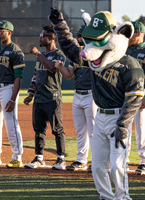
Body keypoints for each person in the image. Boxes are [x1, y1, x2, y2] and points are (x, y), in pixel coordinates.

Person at [49, 8, 144, 200]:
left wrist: (122, 125)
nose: (88, 50)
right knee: (99, 165)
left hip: (119, 117)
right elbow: (73, 51)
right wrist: (60, 26)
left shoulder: (129, 65)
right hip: (100, 116)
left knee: (118, 165)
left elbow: (134, 99)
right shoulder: (95, 60)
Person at [23, 24, 67, 170]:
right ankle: (39, 157)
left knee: (57, 129)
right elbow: (36, 76)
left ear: (51, 37)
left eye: (43, 36)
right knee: (39, 129)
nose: (40, 39)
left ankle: (61, 159)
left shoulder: (59, 54)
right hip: (39, 98)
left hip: (52, 98)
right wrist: (30, 94)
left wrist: (37, 54)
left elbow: (51, 67)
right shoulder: (41, 56)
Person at [54, 25, 97, 171]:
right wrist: (60, 67)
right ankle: (81, 160)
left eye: (80, 35)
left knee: (93, 130)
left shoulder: (96, 54)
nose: (77, 38)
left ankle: (96, 160)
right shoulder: (76, 55)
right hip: (77, 95)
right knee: (80, 130)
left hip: (91, 96)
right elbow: (68, 75)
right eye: (77, 35)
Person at [125, 21, 145, 175]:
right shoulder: (125, 50)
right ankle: (123, 159)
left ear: (138, 34)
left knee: (141, 129)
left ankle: (144, 161)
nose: (129, 36)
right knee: (124, 127)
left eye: (132, 33)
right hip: (125, 94)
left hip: (140, 93)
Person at [0, 20, 25, 168]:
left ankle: (17, 156)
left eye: (2, 30)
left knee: (11, 123)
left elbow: (18, 77)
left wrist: (13, 99)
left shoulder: (16, 51)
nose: (0, 32)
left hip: (8, 88)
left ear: (9, 33)